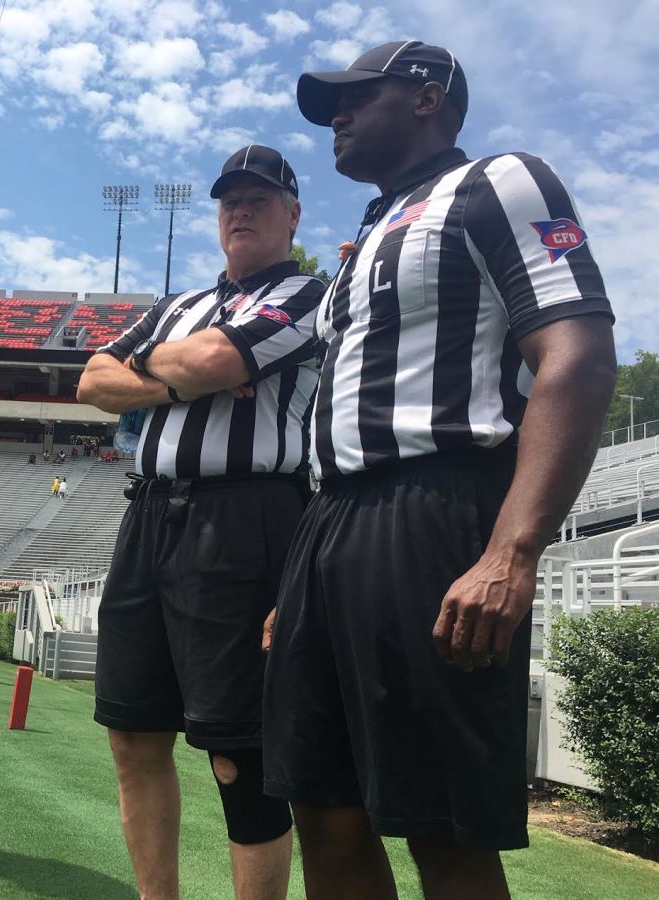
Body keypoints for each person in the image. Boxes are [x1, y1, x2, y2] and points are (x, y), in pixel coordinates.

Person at [260, 42, 617, 900]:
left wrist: (512, 551)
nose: (337, 117)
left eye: (357, 96)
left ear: (427, 97)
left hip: (436, 507)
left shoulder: (498, 182)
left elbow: (577, 353)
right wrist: (304, 580)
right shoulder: (365, 239)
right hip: (331, 523)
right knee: (323, 806)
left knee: (439, 822)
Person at [77, 144, 325, 900]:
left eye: (258, 198)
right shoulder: (174, 305)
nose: (240, 210)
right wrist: (181, 380)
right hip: (150, 511)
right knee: (133, 733)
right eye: (229, 200)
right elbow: (92, 380)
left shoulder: (309, 293)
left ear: (292, 214)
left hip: (245, 516)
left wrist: (163, 370)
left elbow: (215, 361)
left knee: (237, 753)